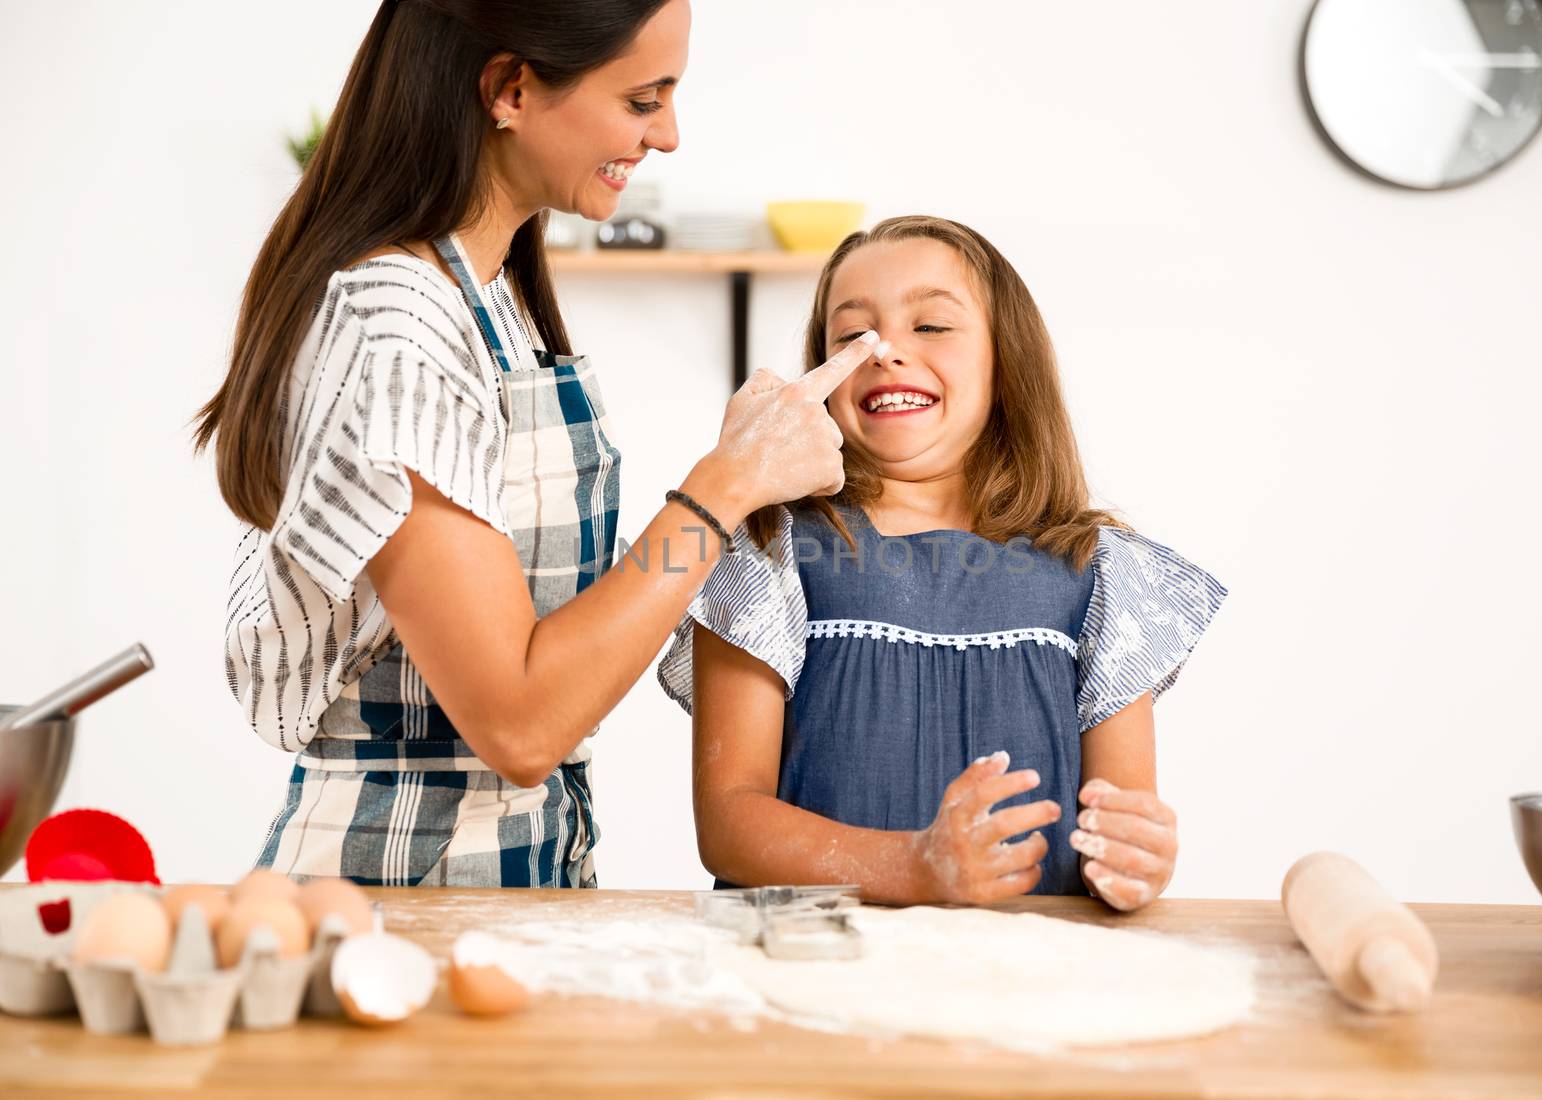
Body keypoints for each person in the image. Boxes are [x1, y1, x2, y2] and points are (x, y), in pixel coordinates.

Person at [193, 0, 875, 886]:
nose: (667, 134)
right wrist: (728, 483)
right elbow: (518, 724)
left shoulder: (494, 299)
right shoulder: (403, 327)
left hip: (516, 869)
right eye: (643, 99)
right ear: (509, 90)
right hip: (403, 890)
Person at [659, 216, 1228, 910]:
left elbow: (1118, 826)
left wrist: (1137, 859)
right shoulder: (769, 548)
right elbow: (728, 826)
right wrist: (914, 866)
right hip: (813, 974)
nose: (885, 351)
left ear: (1005, 358)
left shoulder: (1100, 571)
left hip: (1019, 989)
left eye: (930, 325)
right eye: (851, 335)